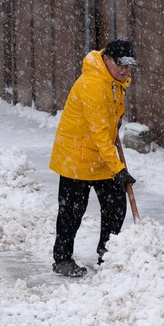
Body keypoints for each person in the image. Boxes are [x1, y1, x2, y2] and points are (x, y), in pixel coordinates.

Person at [49, 38, 138, 277]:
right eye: (121, 64)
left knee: (115, 205)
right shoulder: (94, 85)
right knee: (71, 211)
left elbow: (105, 127)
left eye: (129, 64)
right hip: (76, 157)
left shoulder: (113, 81)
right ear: (107, 59)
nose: (126, 69)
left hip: (99, 155)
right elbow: (99, 134)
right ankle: (62, 259)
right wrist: (119, 169)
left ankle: (107, 254)